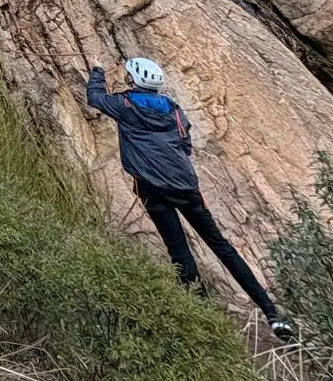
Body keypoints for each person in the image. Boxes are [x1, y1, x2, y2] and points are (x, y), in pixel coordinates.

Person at [87, 57, 294, 340]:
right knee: (222, 247)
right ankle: (272, 313)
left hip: (151, 188)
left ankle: (199, 315)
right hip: (186, 187)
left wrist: (97, 71)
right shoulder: (173, 110)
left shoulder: (126, 105)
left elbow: (95, 97)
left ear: (133, 81)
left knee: (179, 250)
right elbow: (185, 145)